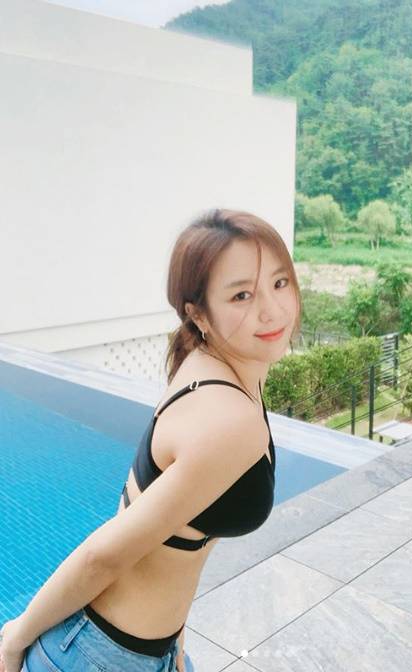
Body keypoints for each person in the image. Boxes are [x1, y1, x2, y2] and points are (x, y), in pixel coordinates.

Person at [0, 208, 302, 672]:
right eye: (242, 294)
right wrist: (15, 637)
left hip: (132, 648)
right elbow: (103, 556)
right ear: (199, 314)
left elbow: (177, 525)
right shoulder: (232, 421)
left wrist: (177, 634)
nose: (271, 310)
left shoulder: (207, 363)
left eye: (279, 283)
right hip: (102, 657)